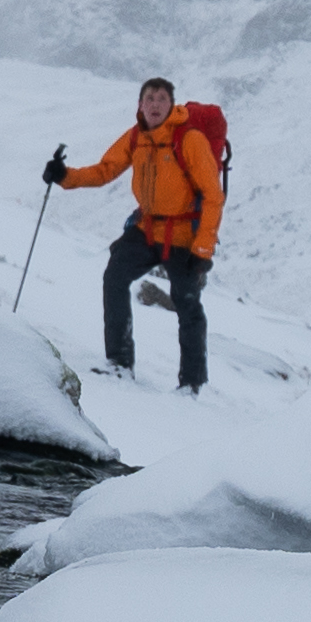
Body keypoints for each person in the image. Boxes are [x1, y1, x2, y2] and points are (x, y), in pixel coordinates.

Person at [46, 76, 221, 391]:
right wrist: (65, 177)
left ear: (172, 105)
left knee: (187, 302)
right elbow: (105, 170)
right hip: (147, 227)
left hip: (183, 235)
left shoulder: (189, 139)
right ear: (140, 105)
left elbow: (212, 194)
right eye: (149, 99)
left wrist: (204, 249)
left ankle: (193, 384)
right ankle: (119, 363)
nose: (155, 105)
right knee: (114, 276)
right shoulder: (136, 137)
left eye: (161, 99)